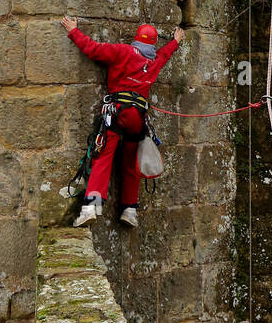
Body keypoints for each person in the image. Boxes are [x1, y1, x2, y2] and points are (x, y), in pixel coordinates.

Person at [60, 16, 183, 229]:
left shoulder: (123, 52)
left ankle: (91, 208)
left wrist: (74, 31)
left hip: (116, 112)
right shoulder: (152, 62)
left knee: (103, 158)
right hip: (137, 118)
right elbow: (164, 54)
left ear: (136, 39)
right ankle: (130, 210)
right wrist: (175, 41)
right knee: (130, 163)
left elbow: (93, 49)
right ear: (152, 44)